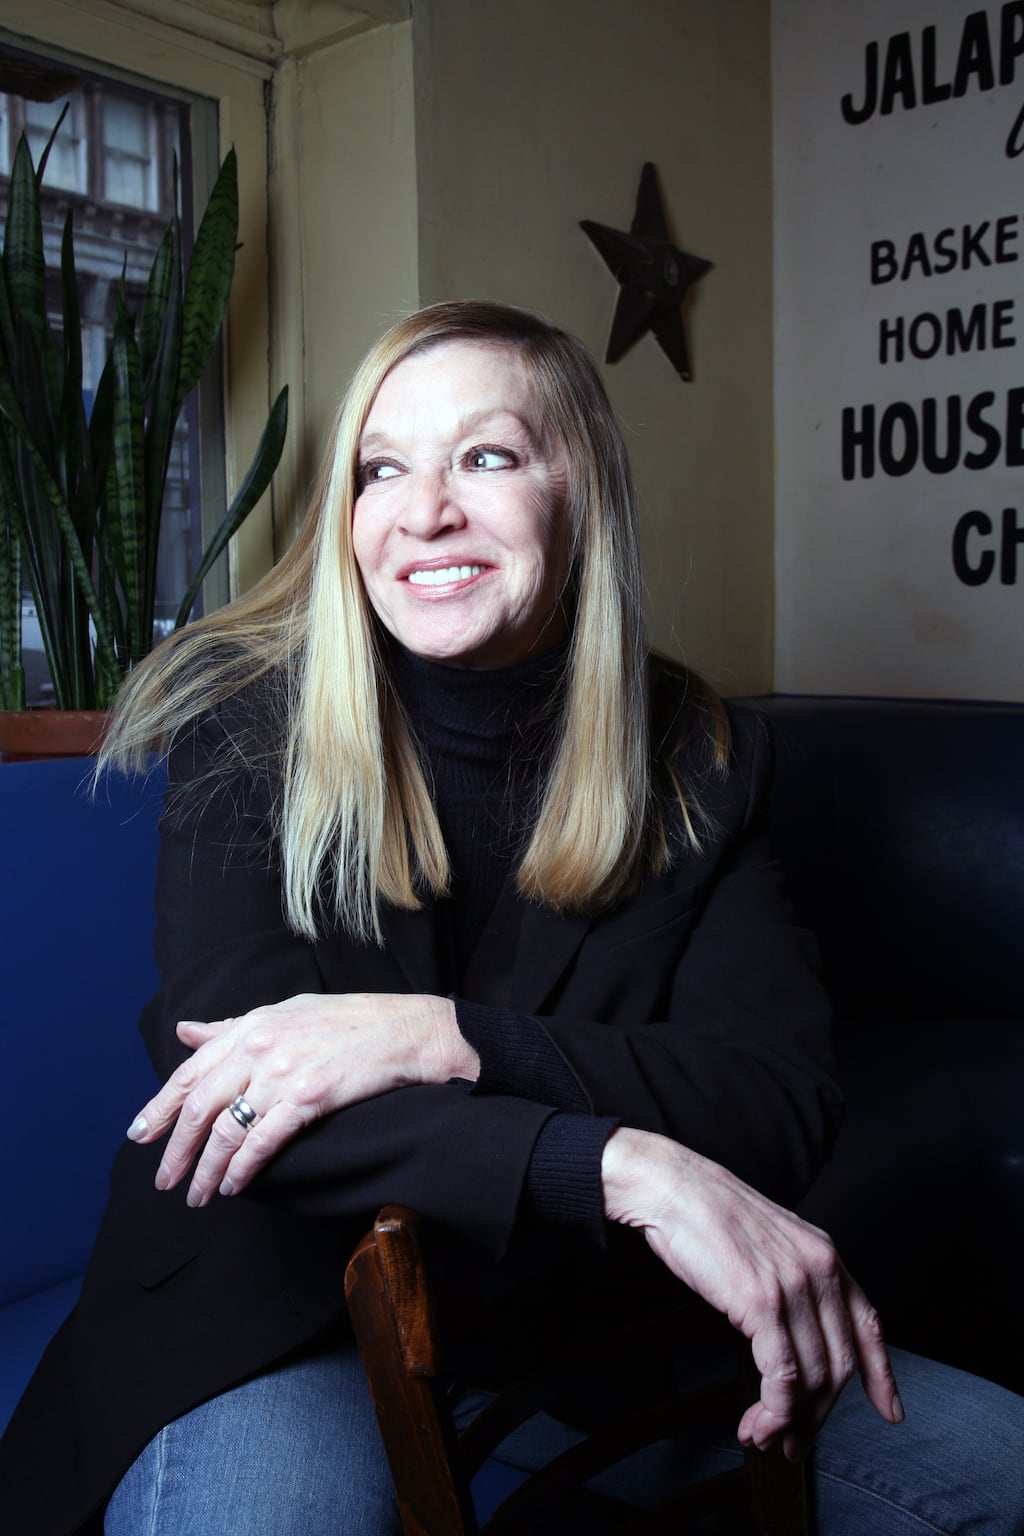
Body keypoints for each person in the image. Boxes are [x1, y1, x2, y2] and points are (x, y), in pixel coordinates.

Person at [1, 301, 1021, 1535]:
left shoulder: (700, 753)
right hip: (277, 1306)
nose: (423, 510)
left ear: (579, 493)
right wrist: (614, 1160)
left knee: (998, 1468)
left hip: (577, 1317)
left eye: (484, 456)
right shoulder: (247, 723)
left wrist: (451, 1035)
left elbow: (774, 1096)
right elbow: (243, 1091)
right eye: (383, 468)